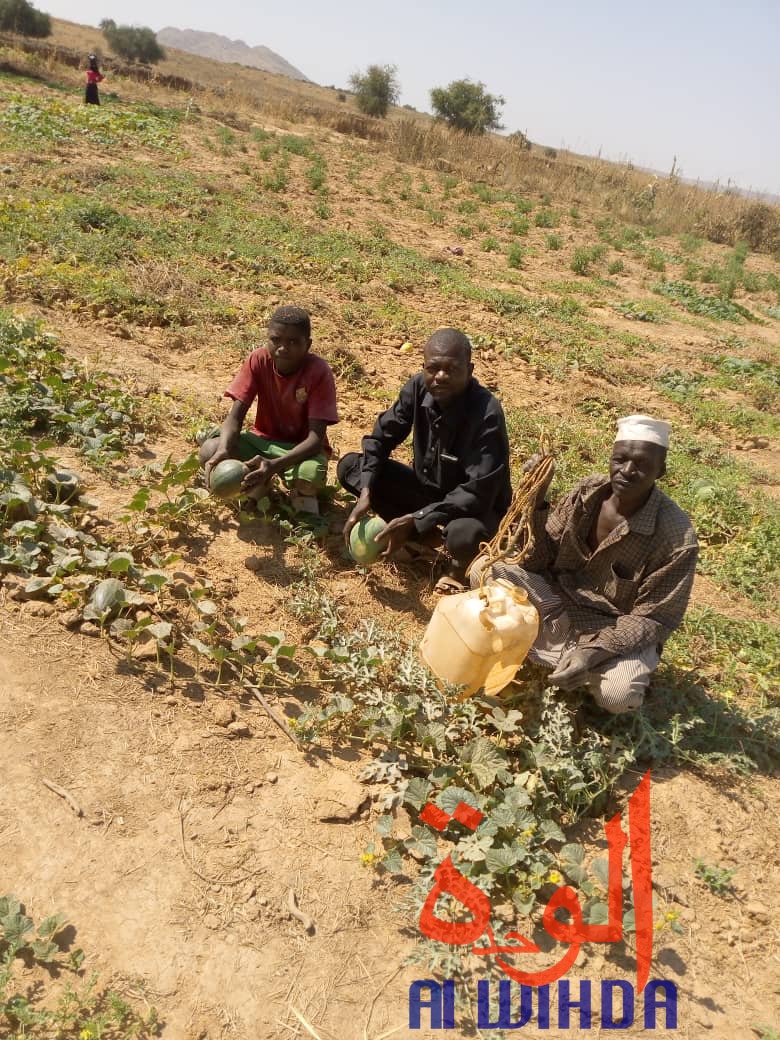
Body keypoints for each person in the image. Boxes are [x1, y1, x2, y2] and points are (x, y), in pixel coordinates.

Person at [470, 415, 698, 713]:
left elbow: (655, 619)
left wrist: (590, 653)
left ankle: (573, 659)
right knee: (485, 570)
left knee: (619, 696)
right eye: (620, 460)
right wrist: (537, 500)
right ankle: (557, 651)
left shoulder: (676, 537)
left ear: (661, 471)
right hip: (559, 602)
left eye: (641, 465)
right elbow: (539, 561)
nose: (627, 471)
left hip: (612, 630)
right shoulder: (587, 493)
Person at [338, 327, 512, 589]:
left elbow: (477, 492)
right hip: (428, 495)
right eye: (432, 369)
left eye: (451, 369)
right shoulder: (418, 388)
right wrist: (366, 493)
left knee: (464, 535)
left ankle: (454, 568)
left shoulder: (487, 413)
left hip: (471, 509)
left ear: (470, 369)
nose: (440, 377)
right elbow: (380, 439)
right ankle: (420, 535)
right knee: (352, 467)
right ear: (423, 368)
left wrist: (417, 517)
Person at [200, 306, 339, 513]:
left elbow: (315, 439)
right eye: (276, 340)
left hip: (301, 450)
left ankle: (299, 499)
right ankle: (259, 490)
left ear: (307, 345)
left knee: (308, 478)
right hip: (263, 441)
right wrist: (224, 450)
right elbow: (235, 417)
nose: (283, 348)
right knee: (211, 449)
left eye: (293, 342)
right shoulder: (258, 360)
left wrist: (274, 464)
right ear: (267, 339)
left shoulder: (318, 372)